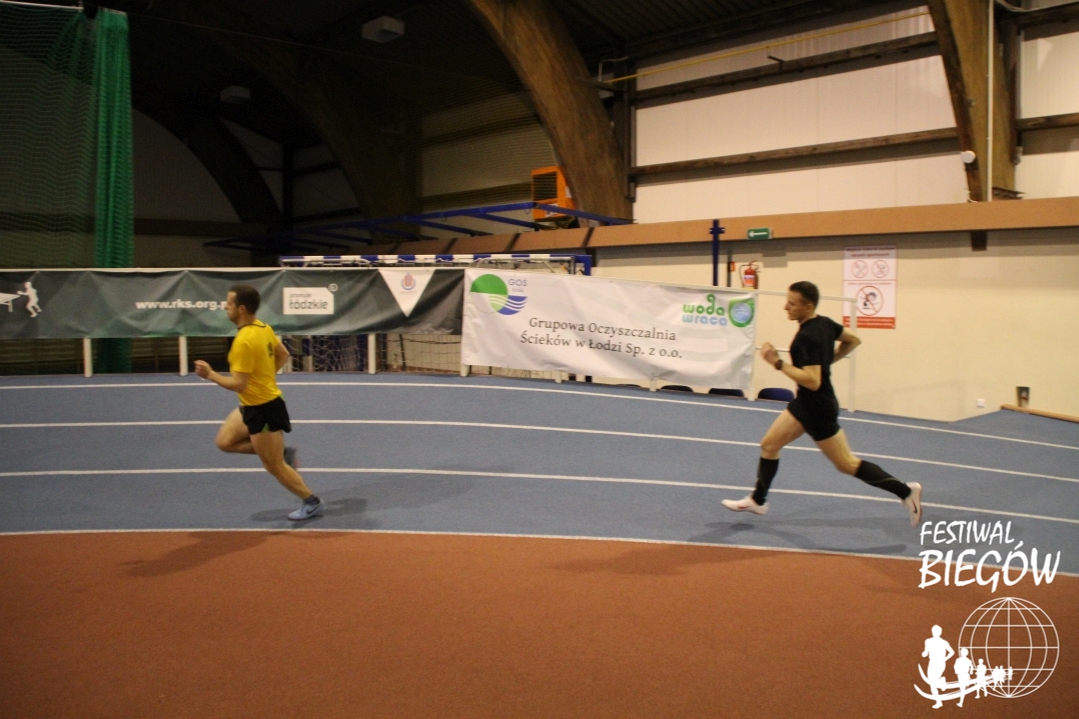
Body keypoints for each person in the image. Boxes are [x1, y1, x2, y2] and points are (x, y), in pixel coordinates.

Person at [722, 281, 922, 525]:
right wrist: (827, 362)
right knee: (769, 445)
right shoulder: (824, 323)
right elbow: (853, 339)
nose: (786, 307)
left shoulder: (807, 337)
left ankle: (906, 492)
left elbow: (813, 381)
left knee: (847, 464)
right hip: (804, 405)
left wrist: (777, 363)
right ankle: (758, 500)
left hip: (818, 409)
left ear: (808, 307)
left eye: (792, 303)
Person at [194, 284, 324, 521]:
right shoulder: (263, 328)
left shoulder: (243, 342)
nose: (226, 307)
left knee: (274, 466)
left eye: (229, 303)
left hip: (263, 409)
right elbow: (283, 354)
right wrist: (264, 377)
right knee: (224, 442)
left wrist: (210, 374)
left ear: (241, 309)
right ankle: (279, 451)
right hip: (250, 405)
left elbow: (238, 384)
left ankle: (311, 502)